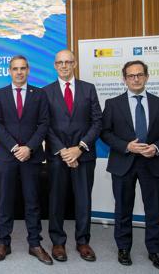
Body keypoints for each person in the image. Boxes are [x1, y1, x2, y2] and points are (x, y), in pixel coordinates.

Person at [101, 60, 159, 271]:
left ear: (146, 77)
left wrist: (156, 147)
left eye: (139, 75)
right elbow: (105, 133)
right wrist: (126, 146)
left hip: (153, 163)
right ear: (124, 79)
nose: (135, 79)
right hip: (123, 163)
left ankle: (155, 251)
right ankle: (123, 248)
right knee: (123, 209)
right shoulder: (113, 104)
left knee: (154, 210)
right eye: (131, 75)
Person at [0, 55, 52, 265]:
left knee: (32, 201)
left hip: (32, 156)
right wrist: (16, 147)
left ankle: (35, 243)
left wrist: (29, 148)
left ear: (28, 70)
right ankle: (3, 242)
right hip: (7, 156)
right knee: (5, 200)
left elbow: (44, 124)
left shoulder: (40, 94)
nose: (19, 72)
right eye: (15, 69)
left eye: (23, 68)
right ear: (9, 71)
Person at [44, 50, 102, 262]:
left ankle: (83, 241)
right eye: (60, 62)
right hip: (57, 155)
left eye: (68, 62)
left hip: (84, 155)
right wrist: (64, 150)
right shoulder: (46, 92)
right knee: (56, 200)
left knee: (83, 200)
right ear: (55, 65)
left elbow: (97, 122)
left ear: (75, 64)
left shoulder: (89, 89)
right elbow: (45, 125)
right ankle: (58, 242)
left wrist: (80, 148)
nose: (64, 65)